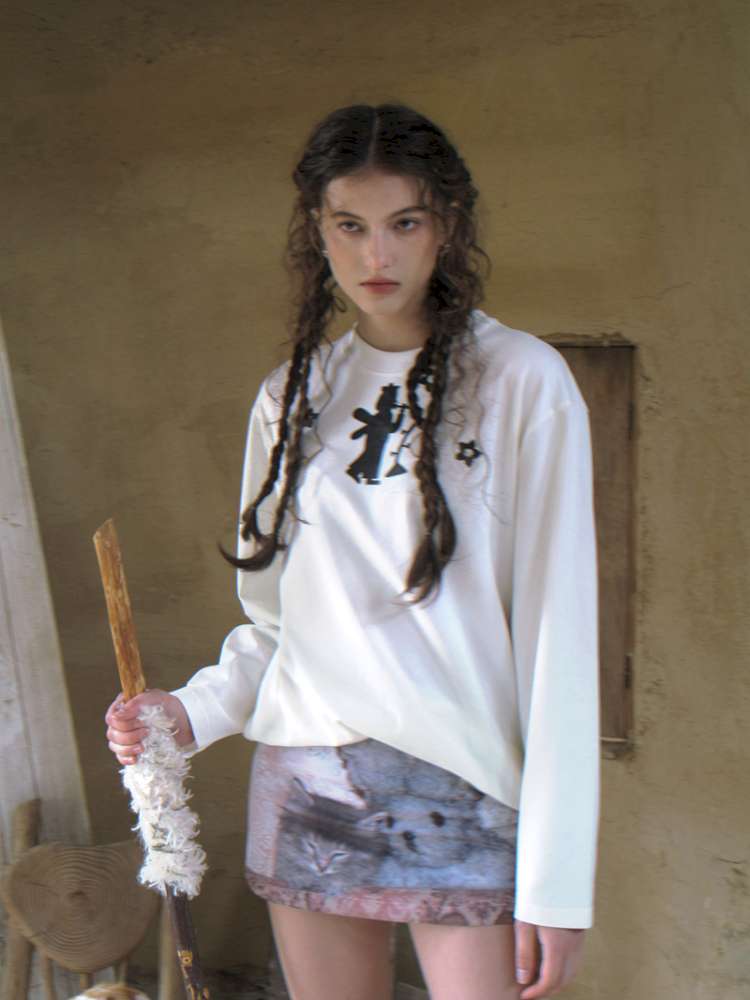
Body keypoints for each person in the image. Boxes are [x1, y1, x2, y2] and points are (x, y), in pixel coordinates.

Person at [105, 103, 600, 1000]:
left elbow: (560, 640)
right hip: (307, 783)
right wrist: (188, 714)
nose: (378, 255)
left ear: (446, 226)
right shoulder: (290, 398)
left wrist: (559, 882)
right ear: (317, 230)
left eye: (404, 223)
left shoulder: (525, 382)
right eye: (350, 225)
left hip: (468, 787)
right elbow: (276, 627)